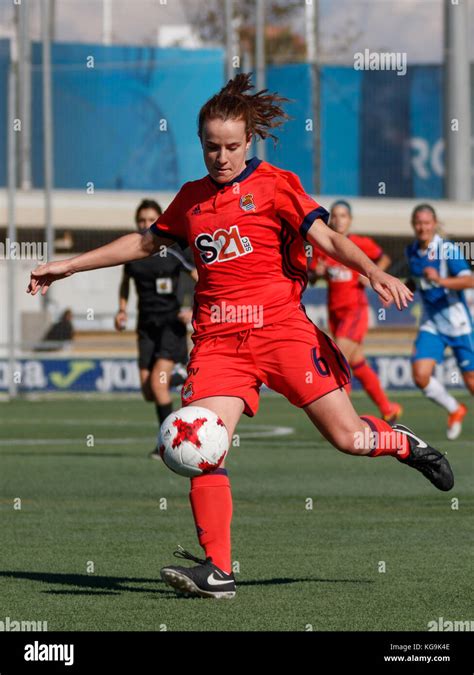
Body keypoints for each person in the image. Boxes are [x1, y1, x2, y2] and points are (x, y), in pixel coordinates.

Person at [27, 74, 454, 601]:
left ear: (249, 141)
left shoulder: (277, 185)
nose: (222, 157)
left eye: (232, 146)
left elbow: (325, 237)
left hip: (282, 333)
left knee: (350, 440)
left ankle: (402, 442)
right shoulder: (191, 199)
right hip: (219, 344)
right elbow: (143, 242)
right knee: (200, 444)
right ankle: (218, 570)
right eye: (212, 147)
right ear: (200, 143)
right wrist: (69, 265)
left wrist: (372, 271)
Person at [115, 199, 198, 456]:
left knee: (158, 385)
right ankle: (181, 377)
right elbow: (125, 282)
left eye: (151, 219)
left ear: (160, 219)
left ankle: (167, 444)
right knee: (148, 391)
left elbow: (200, 277)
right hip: (146, 327)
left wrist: (194, 309)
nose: (145, 224)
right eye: (141, 220)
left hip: (170, 326)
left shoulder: (173, 249)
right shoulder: (134, 252)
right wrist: (121, 309)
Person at [308, 200, 402, 422]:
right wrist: (317, 273)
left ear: (350, 220)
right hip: (335, 313)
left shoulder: (359, 243)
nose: (339, 219)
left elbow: (384, 258)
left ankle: (342, 418)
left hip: (355, 311)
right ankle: (388, 408)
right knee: (357, 362)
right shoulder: (324, 247)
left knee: (337, 358)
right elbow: (311, 278)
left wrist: (371, 275)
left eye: (343, 215)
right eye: (336, 216)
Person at [406, 204, 473, 440]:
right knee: (420, 375)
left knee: (471, 382)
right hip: (432, 323)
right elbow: (415, 280)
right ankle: (455, 409)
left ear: (434, 224)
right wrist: (399, 290)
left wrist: (441, 280)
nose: (422, 227)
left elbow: (469, 281)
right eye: (418, 222)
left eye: (426, 222)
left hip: (457, 323)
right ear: (413, 225)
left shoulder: (448, 250)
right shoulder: (412, 251)